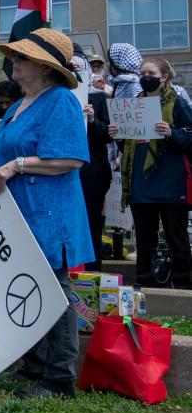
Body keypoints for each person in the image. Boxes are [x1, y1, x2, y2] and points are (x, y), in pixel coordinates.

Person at [0, 28, 94, 399]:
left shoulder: (61, 100)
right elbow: (2, 153)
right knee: (27, 286)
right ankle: (35, 366)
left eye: (22, 57)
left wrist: (16, 166)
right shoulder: (18, 104)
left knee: (53, 291)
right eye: (15, 56)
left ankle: (60, 379)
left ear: (44, 67)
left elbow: (71, 158)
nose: (14, 62)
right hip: (18, 211)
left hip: (48, 211)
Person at [112, 58, 192, 288]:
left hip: (171, 182)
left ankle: (183, 286)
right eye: (142, 72)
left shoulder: (177, 103)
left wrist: (171, 133)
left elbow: (189, 137)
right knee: (144, 238)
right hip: (141, 184)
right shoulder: (133, 105)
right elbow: (128, 147)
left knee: (177, 237)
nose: (145, 77)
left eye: (151, 72)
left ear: (164, 77)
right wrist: (118, 134)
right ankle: (144, 284)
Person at [72, 52, 113, 270]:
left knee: (90, 224)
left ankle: (92, 273)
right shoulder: (56, 97)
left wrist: (92, 119)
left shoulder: (99, 98)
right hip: (64, 170)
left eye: (77, 69)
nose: (73, 74)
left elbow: (108, 134)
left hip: (91, 171)